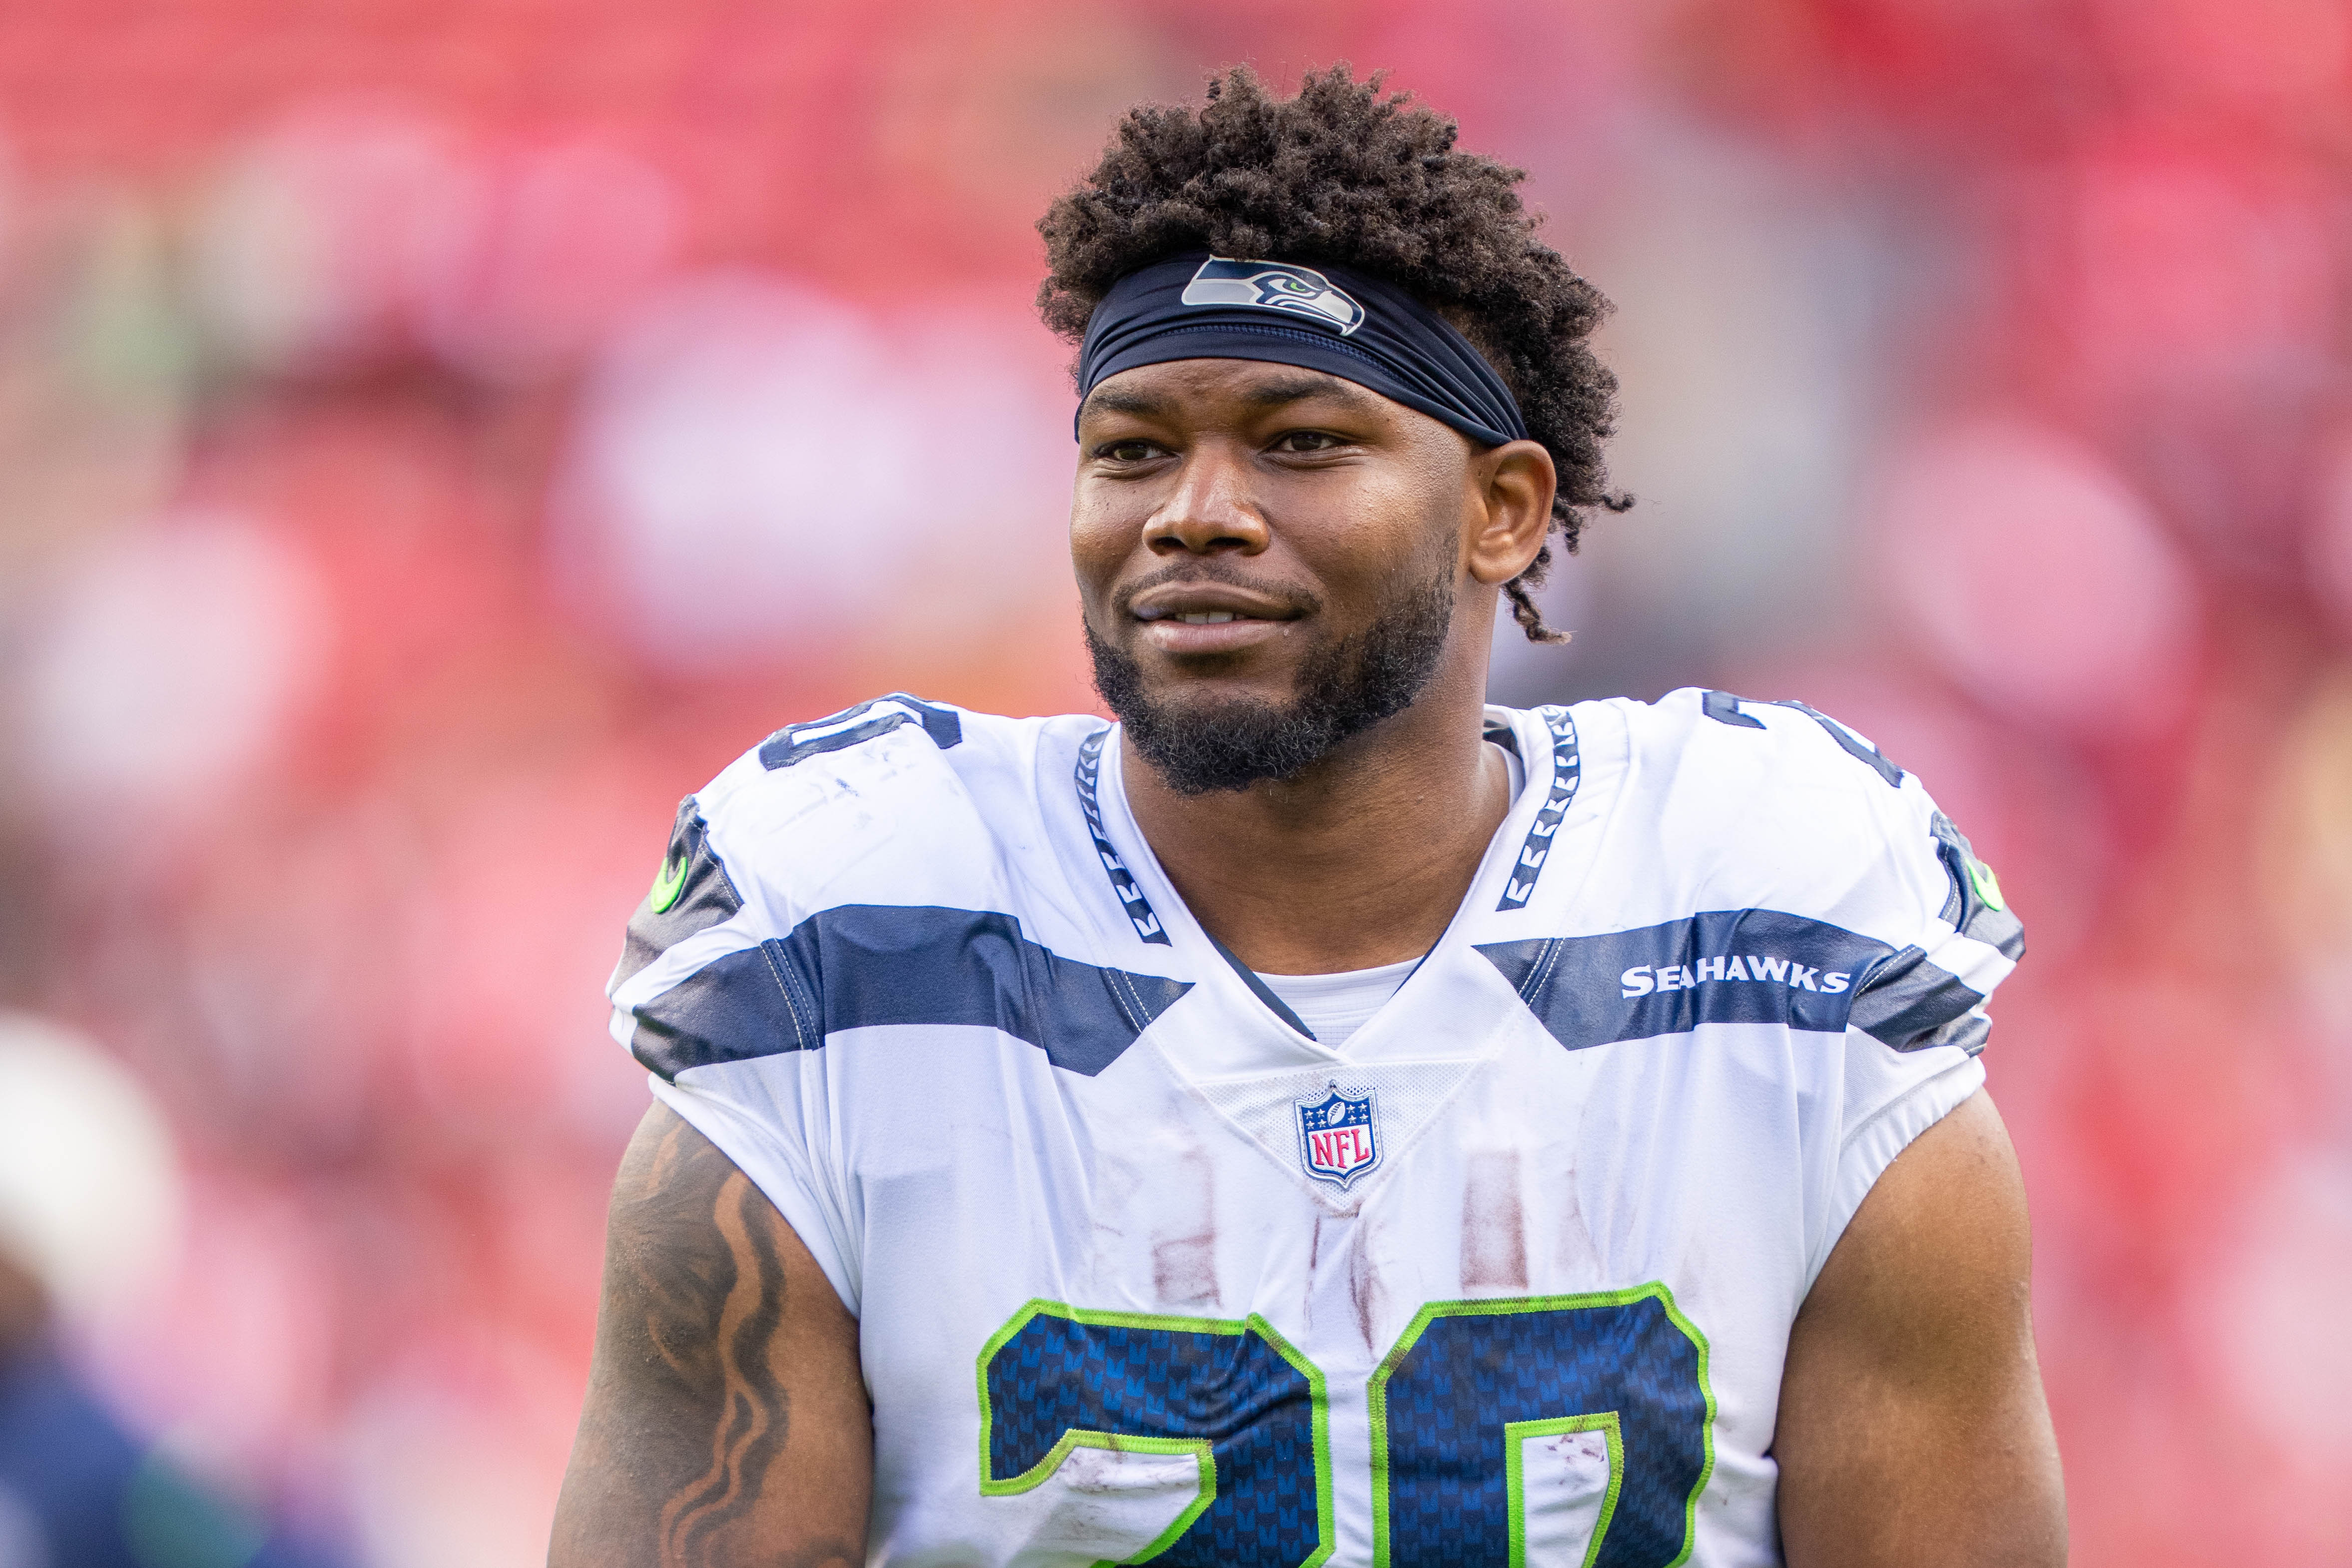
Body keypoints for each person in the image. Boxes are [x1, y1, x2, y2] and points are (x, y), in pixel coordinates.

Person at [550, 66, 2065, 1568]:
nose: (1192, 511)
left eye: (1301, 441)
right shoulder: (859, 926)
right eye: (1132, 449)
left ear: (1503, 511)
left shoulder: (1773, 919)